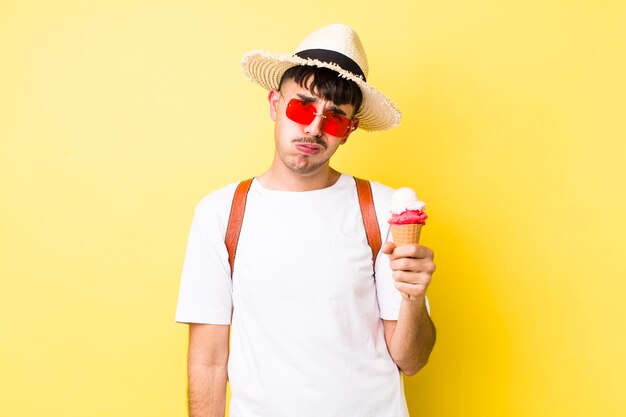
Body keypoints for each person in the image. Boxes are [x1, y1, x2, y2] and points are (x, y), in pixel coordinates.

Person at [175, 24, 436, 417]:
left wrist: (413, 298)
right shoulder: (221, 214)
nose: (314, 128)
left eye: (334, 118)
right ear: (275, 104)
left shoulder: (381, 210)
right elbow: (208, 361)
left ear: (347, 132)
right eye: (303, 107)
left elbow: (411, 360)